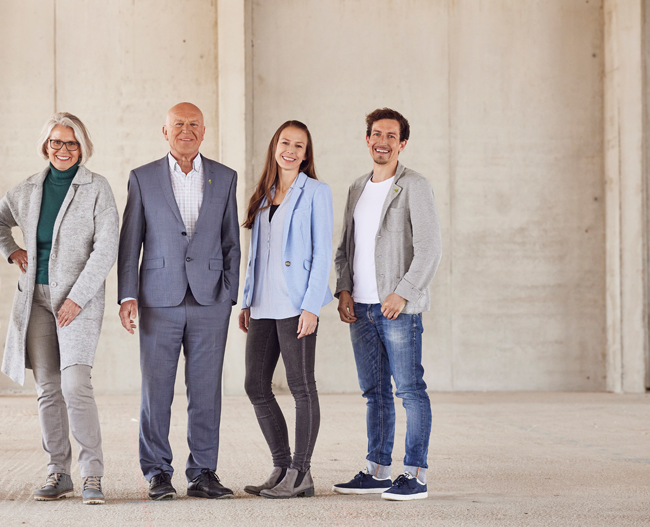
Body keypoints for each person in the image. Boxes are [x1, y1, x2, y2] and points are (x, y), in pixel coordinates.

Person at [117, 102, 240, 500]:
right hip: (157, 299)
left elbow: (231, 242)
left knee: (206, 391)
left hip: (210, 301)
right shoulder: (143, 178)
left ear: (204, 132)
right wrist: (128, 295)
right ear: (165, 132)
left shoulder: (224, 177)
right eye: (178, 125)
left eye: (194, 125)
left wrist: (230, 294)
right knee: (157, 392)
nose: (186, 130)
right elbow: (129, 241)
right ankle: (156, 472)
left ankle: (203, 472)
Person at [0, 113, 119, 505]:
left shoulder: (97, 188)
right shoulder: (29, 189)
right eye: (56, 142)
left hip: (77, 302)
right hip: (35, 298)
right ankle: (58, 471)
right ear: (45, 145)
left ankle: (92, 476)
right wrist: (11, 250)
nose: (62, 150)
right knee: (48, 387)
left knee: (75, 385)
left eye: (71, 143)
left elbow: (106, 249)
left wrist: (77, 298)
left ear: (82, 147)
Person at [332, 108, 441, 501]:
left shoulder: (415, 185)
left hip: (398, 309)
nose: (383, 141)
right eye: (376, 134)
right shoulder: (357, 187)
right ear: (367, 139)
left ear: (402, 143)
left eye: (391, 136)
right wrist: (343, 289)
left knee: (410, 390)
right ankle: (377, 470)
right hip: (359, 308)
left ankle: (414, 474)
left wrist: (404, 291)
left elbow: (430, 248)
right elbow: (346, 248)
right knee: (374, 393)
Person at [238, 121, 334, 499]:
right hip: (263, 304)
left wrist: (311, 307)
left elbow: (322, 251)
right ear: (274, 146)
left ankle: (302, 472)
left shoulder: (316, 192)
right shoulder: (264, 193)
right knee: (256, 384)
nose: (290, 150)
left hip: (296, 305)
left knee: (300, 386)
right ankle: (281, 466)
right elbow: (256, 254)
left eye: (299, 145)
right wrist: (247, 299)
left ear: (306, 154)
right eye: (285, 142)